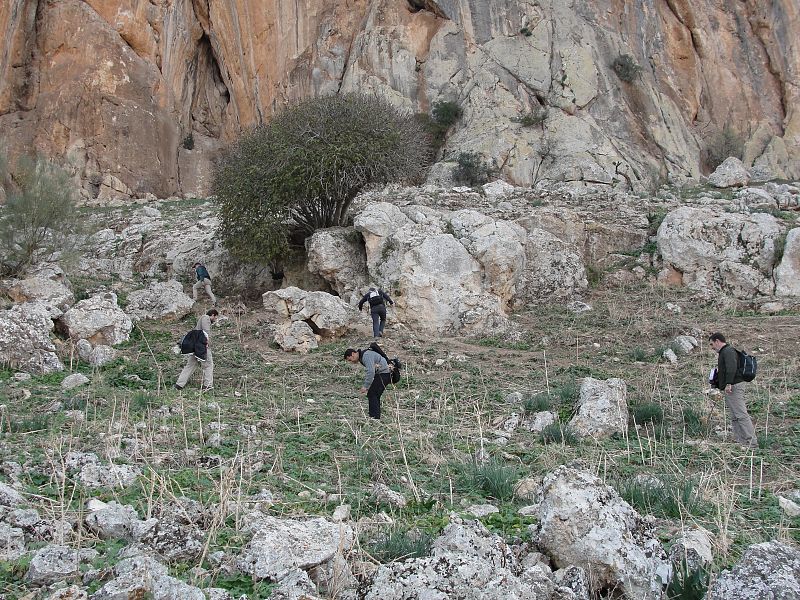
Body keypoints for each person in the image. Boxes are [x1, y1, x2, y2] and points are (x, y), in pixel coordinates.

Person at [709, 332, 756, 447]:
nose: (712, 347)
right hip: (731, 386)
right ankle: (741, 441)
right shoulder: (726, 352)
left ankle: (751, 442)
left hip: (734, 386)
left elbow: (731, 367)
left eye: (712, 344)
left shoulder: (728, 351)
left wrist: (729, 383)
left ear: (717, 341)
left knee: (741, 414)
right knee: (735, 416)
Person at [176, 309, 219, 391]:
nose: (215, 320)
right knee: (209, 365)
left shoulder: (201, 320)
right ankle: (208, 385)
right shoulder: (206, 318)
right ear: (213, 315)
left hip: (195, 346)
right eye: (215, 318)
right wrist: (207, 343)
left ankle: (179, 384)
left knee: (190, 365)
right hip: (202, 346)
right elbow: (206, 332)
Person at [344, 347, 391, 419]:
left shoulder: (366, 355)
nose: (351, 362)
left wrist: (365, 386)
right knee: (374, 394)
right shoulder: (364, 355)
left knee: (372, 394)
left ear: (353, 354)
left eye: (350, 359)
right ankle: (375, 416)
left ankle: (374, 417)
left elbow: (371, 371)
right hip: (383, 374)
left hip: (384, 373)